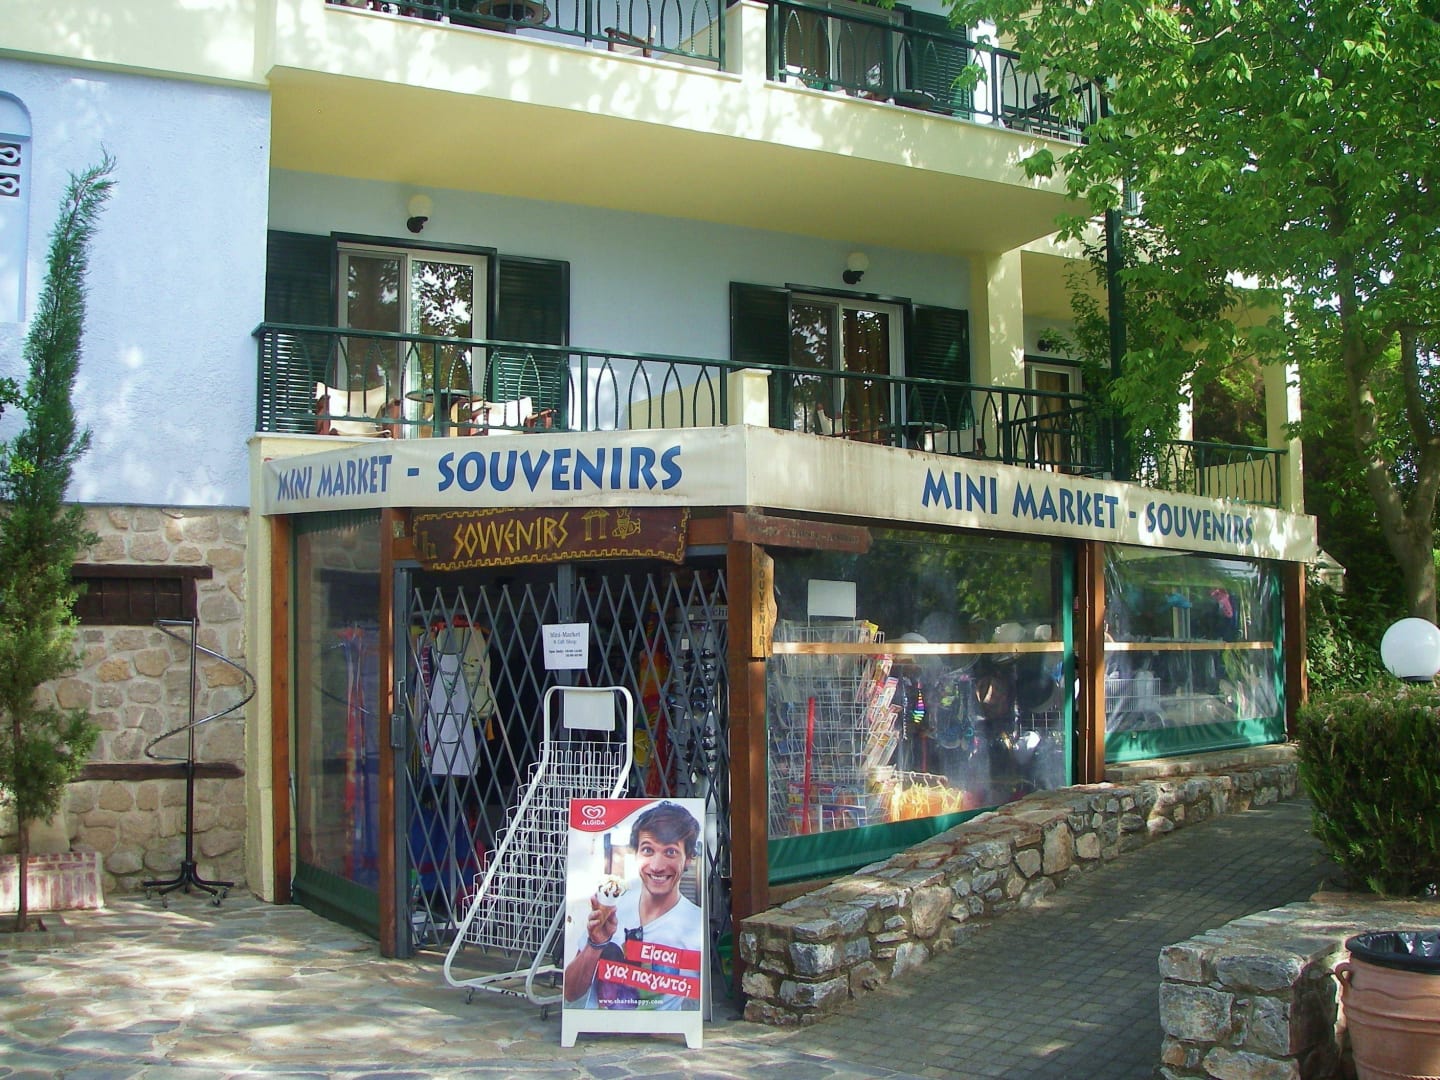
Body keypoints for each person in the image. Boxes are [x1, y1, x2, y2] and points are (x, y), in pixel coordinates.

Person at [562, 801, 703, 1010]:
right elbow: (571, 993)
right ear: (636, 854)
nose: (656, 866)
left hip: (660, 1031)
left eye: (670, 852)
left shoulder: (695, 923)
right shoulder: (613, 909)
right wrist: (595, 944)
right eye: (648, 850)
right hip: (599, 1029)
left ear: (689, 859)